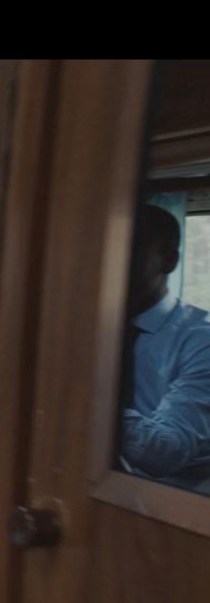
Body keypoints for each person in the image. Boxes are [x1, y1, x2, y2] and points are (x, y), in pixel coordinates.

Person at [118, 203, 210, 492]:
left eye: (129, 253)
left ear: (168, 261)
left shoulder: (201, 340)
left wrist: (92, 404)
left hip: (171, 507)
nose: (112, 264)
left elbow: (168, 452)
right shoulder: (85, 326)